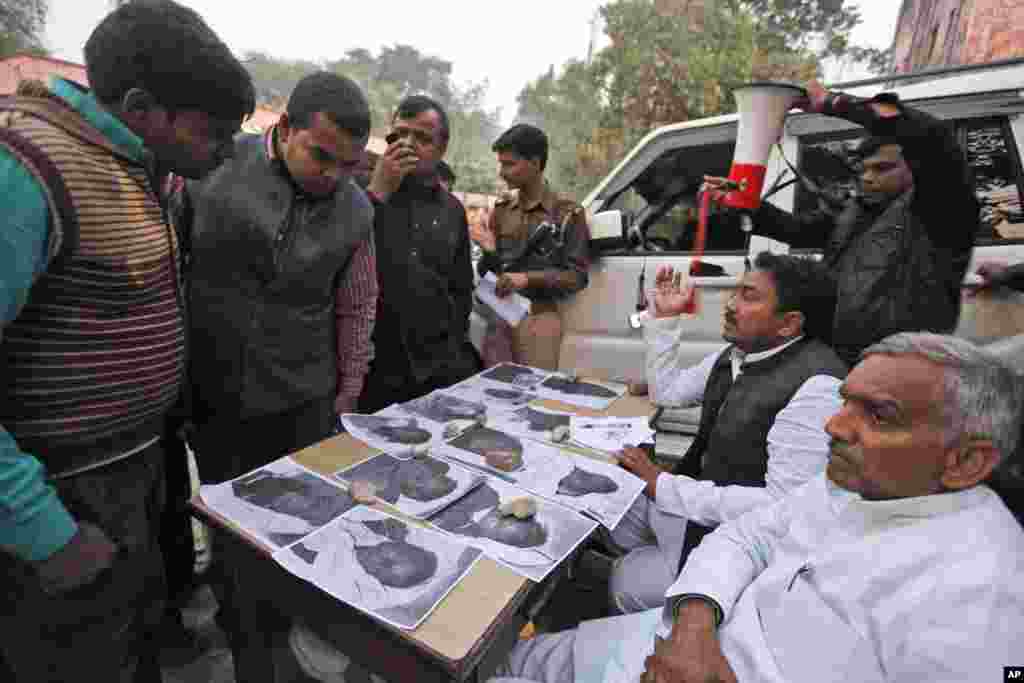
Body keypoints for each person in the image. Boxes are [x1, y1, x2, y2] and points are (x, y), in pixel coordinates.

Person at [491, 332, 1024, 683]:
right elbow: (746, 537)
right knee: (509, 662)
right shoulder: (856, 484)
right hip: (670, 640)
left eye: (879, 415)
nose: (834, 426)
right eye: (846, 402)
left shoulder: (985, 599)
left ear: (966, 461)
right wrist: (694, 629)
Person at [0, 1, 254, 681]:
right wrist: (43, 531)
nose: (228, 150)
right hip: (58, 491)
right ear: (141, 107)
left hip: (133, 472)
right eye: (213, 132)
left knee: (128, 642)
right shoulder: (26, 168)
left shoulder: (144, 168)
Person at [173, 71, 376, 682]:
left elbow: (357, 303)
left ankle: (293, 646)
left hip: (304, 401)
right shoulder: (211, 167)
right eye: (321, 155)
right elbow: (167, 267)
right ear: (284, 128)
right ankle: (247, 651)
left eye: (349, 165)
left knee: (303, 530)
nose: (333, 175)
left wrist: (347, 390)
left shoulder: (356, 209)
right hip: (216, 396)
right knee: (234, 536)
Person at [608, 252, 846, 612]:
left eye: (748, 296)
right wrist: (666, 319)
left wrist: (662, 484)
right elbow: (667, 392)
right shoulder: (735, 356)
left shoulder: (817, 387)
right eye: (736, 292)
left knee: (623, 583)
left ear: (788, 324)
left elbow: (781, 507)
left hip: (736, 547)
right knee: (610, 506)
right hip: (696, 509)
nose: (731, 304)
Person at [705, 81, 980, 366]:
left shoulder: (942, 214)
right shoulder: (856, 210)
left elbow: (935, 138)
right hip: (838, 358)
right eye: (864, 169)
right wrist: (746, 204)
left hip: (901, 364)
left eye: (882, 168)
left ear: (917, 168)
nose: (868, 177)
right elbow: (797, 230)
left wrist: (835, 103)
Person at [359, 95, 480, 413]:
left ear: (442, 148)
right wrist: (377, 193)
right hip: (372, 366)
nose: (408, 145)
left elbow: (460, 288)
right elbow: (339, 251)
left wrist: (451, 350)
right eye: (400, 134)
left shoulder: (452, 210)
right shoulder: (359, 190)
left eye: (422, 138)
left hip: (433, 367)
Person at [472, 123, 591, 370]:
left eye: (509, 164)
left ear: (535, 163)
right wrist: (489, 252)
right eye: (501, 164)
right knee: (493, 390)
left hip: (539, 321)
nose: (502, 173)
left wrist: (527, 279)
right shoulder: (502, 210)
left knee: (535, 390)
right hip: (500, 319)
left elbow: (577, 277)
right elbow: (489, 273)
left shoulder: (567, 213)